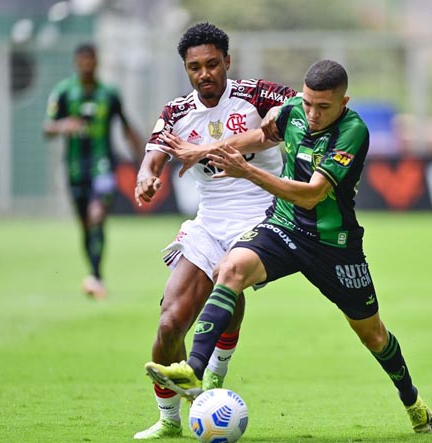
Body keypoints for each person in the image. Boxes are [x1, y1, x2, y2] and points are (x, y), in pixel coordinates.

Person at [147, 60, 432, 434]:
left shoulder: (352, 132)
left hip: (334, 245)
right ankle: (194, 370)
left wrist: (247, 171)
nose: (312, 114)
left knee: (373, 336)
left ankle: (411, 400)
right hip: (283, 226)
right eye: (308, 103)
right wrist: (205, 150)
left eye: (323, 107)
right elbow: (260, 136)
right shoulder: (294, 110)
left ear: (344, 102)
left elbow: (313, 194)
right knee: (229, 269)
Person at [133, 23, 298, 439]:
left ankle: (214, 374)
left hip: (262, 214)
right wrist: (146, 178)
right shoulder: (176, 112)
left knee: (228, 277)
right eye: (195, 67)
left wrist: (276, 118)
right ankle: (170, 419)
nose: (204, 73)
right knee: (169, 325)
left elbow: (299, 107)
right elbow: (154, 157)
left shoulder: (256, 94)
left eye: (212, 64)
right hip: (209, 221)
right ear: (186, 69)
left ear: (227, 61)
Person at [44, 43, 143, 300]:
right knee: (85, 225)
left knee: (97, 216)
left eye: (91, 60)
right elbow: (47, 128)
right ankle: (95, 274)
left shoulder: (109, 93)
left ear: (97, 62)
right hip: (75, 168)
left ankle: (96, 278)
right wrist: (64, 125)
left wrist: (142, 159)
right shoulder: (64, 92)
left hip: (103, 165)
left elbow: (126, 126)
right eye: (83, 61)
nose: (87, 65)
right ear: (77, 63)